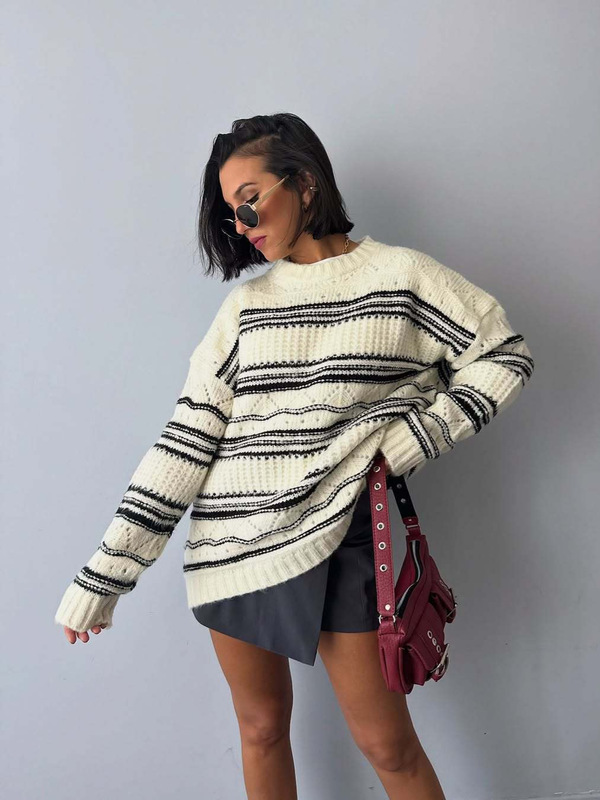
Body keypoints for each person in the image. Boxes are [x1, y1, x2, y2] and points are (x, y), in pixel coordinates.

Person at [55, 112, 534, 800]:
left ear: (304, 184)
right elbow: (186, 440)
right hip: (233, 545)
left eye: (249, 199)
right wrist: (106, 574)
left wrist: (418, 437)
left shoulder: (401, 276)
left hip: (340, 536)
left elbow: (504, 355)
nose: (241, 222)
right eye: (230, 211)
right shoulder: (245, 310)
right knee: (260, 730)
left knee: (388, 746)